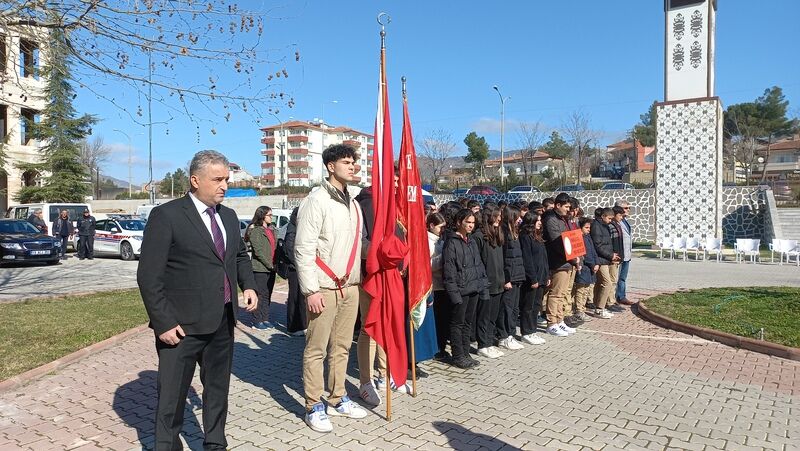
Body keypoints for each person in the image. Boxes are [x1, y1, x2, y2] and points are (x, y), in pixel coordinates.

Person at [137, 150, 259, 450]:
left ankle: (215, 442)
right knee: (172, 396)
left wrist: (249, 286)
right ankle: (166, 445)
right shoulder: (166, 216)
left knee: (217, 389)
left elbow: (239, 256)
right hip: (180, 326)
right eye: (217, 179)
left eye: (227, 179)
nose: (224, 186)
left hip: (222, 320)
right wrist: (163, 322)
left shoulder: (229, 217)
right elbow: (149, 276)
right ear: (195, 180)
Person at [295, 144, 367, 432]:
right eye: (346, 162)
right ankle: (313, 404)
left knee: (341, 347)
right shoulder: (316, 200)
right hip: (323, 287)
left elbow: (357, 245)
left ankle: (338, 397)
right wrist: (310, 289)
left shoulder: (354, 203)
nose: (352, 166)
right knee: (316, 349)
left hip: (350, 286)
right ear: (330, 166)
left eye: (354, 162)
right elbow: (303, 248)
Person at [442, 208, 488, 369]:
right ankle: (458, 355)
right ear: (458, 222)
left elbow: (479, 265)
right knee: (457, 323)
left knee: (468, 322)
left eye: (473, 223)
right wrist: (454, 294)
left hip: (473, 288)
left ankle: (466, 352)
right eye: (467, 222)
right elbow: (449, 271)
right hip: (460, 290)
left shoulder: (472, 241)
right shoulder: (452, 243)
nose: (470, 225)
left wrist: (482, 286)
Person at [472, 206, 507, 359]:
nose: (499, 219)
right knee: (484, 316)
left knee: (493, 316)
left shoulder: (498, 234)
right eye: (496, 216)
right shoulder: (479, 236)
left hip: (498, 281)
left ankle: (490, 342)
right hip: (486, 284)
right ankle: (483, 344)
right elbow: (477, 262)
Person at [541, 193, 577, 337]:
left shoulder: (562, 219)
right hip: (558, 262)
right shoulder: (551, 219)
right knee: (555, 294)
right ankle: (552, 323)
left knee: (562, 294)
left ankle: (560, 320)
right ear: (558, 205)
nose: (568, 210)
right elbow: (558, 242)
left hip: (566, 262)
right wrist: (573, 258)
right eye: (566, 207)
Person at [518, 212, 550, 344]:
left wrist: (547, 275)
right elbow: (527, 259)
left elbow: (544, 258)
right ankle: (526, 332)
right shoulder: (525, 237)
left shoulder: (538, 236)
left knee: (536, 305)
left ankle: (533, 330)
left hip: (542, 276)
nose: (540, 222)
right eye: (537, 220)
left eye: (540, 220)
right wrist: (533, 278)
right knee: (528, 306)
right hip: (532, 278)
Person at [246, 206, 277, 330]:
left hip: (271, 268)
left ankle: (265, 318)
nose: (271, 217)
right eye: (269, 215)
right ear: (262, 215)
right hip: (260, 268)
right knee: (260, 294)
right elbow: (258, 251)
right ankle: (256, 320)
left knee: (268, 294)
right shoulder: (256, 231)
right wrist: (269, 264)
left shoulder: (271, 230)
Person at [282, 207, 307, 336]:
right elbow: (289, 249)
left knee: (301, 298)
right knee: (294, 298)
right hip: (295, 268)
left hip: (300, 267)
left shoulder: (297, 227)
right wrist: (299, 263)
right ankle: (293, 326)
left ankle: (302, 324)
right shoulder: (292, 229)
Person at [590, 207, 618, 319]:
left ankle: (598, 307)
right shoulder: (596, 227)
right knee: (607, 283)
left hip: (605, 259)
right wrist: (610, 255)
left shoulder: (604, 226)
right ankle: (600, 308)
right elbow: (598, 245)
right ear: (603, 216)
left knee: (601, 283)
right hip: (600, 259)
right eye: (609, 218)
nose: (611, 221)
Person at [572, 217, 598, 321]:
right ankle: (579, 310)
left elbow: (593, 251)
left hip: (591, 268)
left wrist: (597, 263)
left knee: (586, 289)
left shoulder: (588, 237)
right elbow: (584, 254)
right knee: (580, 290)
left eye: (589, 227)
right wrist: (592, 264)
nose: (588, 229)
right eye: (586, 227)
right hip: (584, 267)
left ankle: (583, 308)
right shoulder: (579, 238)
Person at [614, 199, 634, 305]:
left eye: (629, 208)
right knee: (615, 277)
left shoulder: (625, 221)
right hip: (619, 254)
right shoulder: (615, 221)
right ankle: (613, 298)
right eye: (626, 208)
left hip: (627, 254)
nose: (628, 210)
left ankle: (621, 296)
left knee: (623, 277)